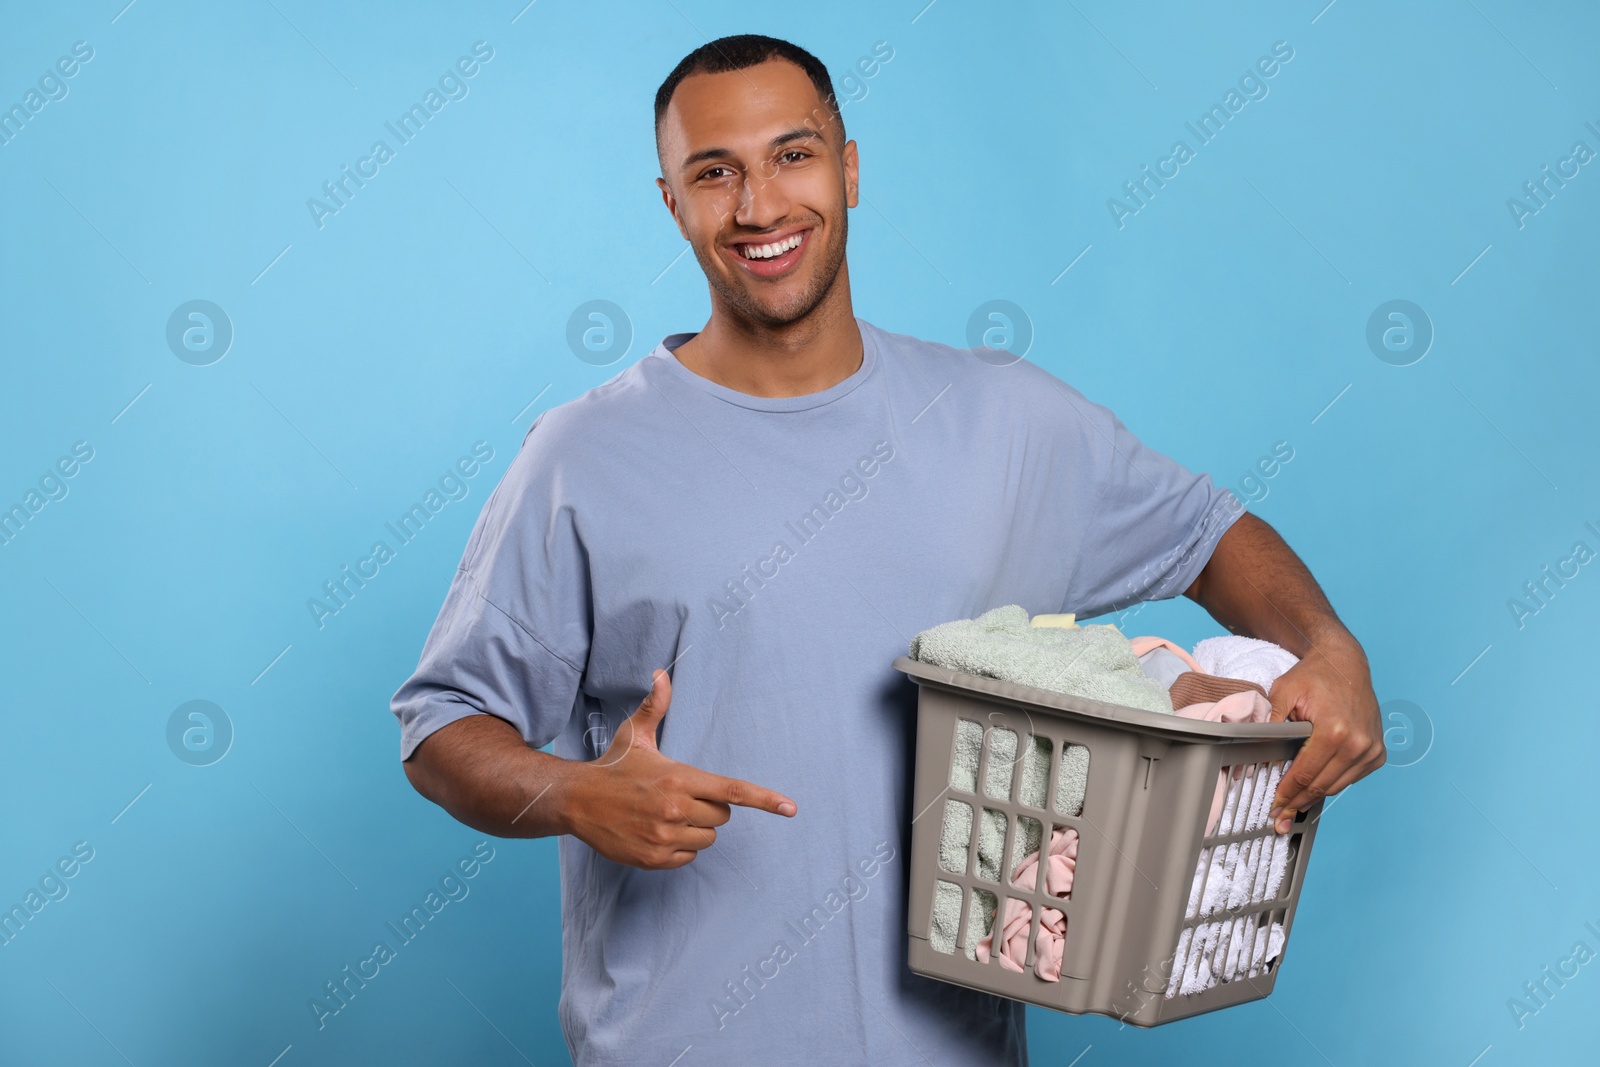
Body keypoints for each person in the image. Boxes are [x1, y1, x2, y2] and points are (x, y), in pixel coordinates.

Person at [392, 33, 1383, 1066]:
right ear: (671, 202)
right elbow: (440, 723)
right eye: (713, 172)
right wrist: (576, 792)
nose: (760, 205)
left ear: (849, 168)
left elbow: (1207, 530)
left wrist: (1327, 645)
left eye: (792, 154)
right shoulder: (583, 458)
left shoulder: (999, 420)